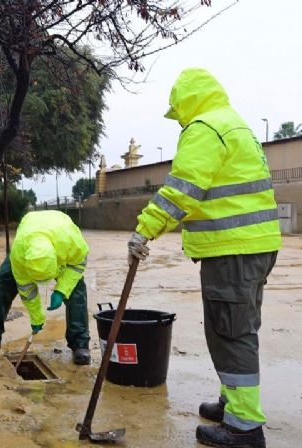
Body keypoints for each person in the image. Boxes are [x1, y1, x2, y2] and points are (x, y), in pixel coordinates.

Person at [128, 68, 281, 448]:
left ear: (187, 101)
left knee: (231, 332)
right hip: (255, 246)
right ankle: (232, 403)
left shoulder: (203, 128)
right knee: (237, 326)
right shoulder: (236, 126)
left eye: (177, 110)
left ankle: (243, 427)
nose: (178, 118)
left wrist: (145, 229)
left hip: (232, 250)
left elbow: (181, 192)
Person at [0, 210, 91, 365]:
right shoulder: (19, 255)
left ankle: (80, 344)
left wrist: (61, 290)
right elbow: (27, 290)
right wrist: (36, 317)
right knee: (3, 280)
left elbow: (78, 265)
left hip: (60, 236)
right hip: (29, 235)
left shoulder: (72, 244)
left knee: (76, 289)